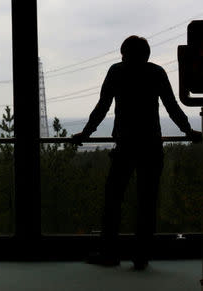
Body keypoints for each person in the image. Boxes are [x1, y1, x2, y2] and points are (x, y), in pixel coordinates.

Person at [71, 35, 202, 270]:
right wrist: (189, 131)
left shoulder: (117, 72)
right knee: (147, 201)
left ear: (125, 54)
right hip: (151, 145)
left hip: (125, 145)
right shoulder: (156, 73)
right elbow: (172, 106)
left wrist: (86, 133)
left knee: (113, 200)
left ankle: (109, 253)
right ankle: (141, 256)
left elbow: (102, 106)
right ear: (147, 54)